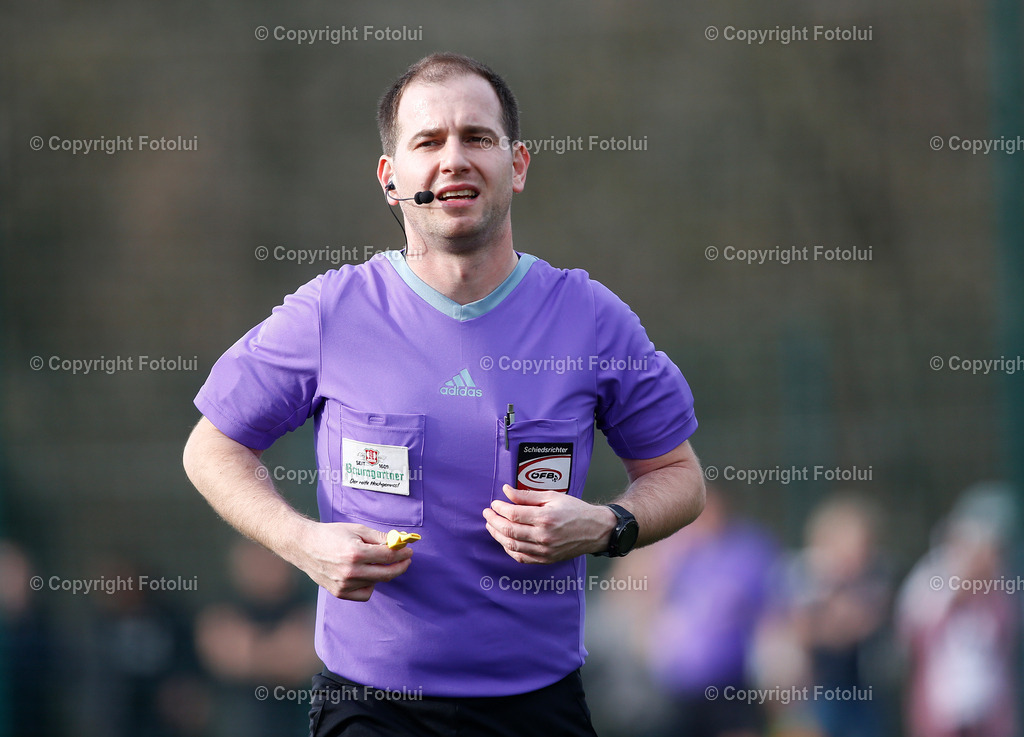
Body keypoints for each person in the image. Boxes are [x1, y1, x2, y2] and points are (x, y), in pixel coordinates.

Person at [182, 52, 704, 737]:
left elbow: (679, 476)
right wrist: (303, 542)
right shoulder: (330, 313)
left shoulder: (591, 318)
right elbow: (211, 447)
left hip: (537, 707)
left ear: (517, 165)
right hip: (371, 708)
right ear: (390, 179)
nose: (453, 159)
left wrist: (608, 526)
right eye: (427, 142)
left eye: (477, 138)